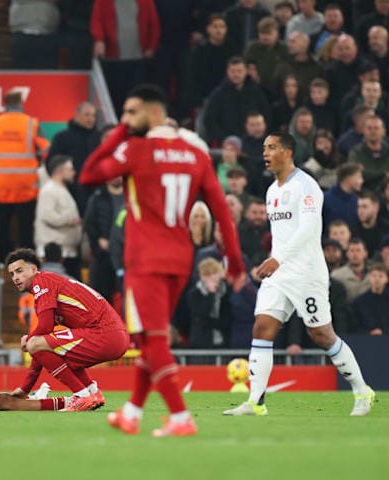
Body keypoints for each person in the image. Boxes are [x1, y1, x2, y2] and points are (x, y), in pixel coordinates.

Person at [79, 84, 246, 436]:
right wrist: (236, 263)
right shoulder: (196, 155)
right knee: (149, 339)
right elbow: (222, 213)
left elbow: (88, 174)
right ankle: (133, 413)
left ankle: (181, 417)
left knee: (153, 342)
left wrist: (121, 133)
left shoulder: (137, 149)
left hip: (144, 260)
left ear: (153, 114)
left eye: (131, 112)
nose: (125, 120)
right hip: (180, 259)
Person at [222, 132, 374, 418]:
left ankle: (362, 390)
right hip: (280, 274)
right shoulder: (271, 191)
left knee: (321, 335)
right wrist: (276, 260)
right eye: (264, 148)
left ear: (288, 152)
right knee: (262, 328)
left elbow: (307, 230)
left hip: (306, 273)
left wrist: (277, 258)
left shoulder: (306, 186)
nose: (266, 153)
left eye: (272, 148)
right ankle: (256, 401)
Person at [5, 248, 129, 411]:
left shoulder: (42, 282)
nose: (16, 278)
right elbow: (41, 348)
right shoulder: (47, 284)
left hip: (105, 334)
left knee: (36, 342)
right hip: (113, 335)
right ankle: (92, 392)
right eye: (12, 274)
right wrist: (25, 388)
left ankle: (82, 395)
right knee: (48, 346)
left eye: (19, 271)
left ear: (34, 269)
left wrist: (28, 339)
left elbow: (44, 328)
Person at [0, 90, 50, 261]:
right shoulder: (32, 124)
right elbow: (45, 150)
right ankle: (28, 261)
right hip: (26, 185)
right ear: (21, 103)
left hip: (1, 185)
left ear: (5, 104)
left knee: (1, 228)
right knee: (26, 229)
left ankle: (2, 262)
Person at [46, 101, 101, 214]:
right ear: (77, 115)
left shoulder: (99, 138)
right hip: (70, 191)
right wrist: (62, 184)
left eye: (93, 115)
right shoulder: (62, 137)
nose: (91, 119)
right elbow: (51, 164)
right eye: (87, 115)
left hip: (95, 191)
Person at [34, 155, 82, 277]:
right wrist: (70, 220)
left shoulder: (61, 189)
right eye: (70, 169)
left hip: (66, 252)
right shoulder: (49, 190)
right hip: (54, 255)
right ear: (60, 171)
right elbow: (48, 216)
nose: (74, 172)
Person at [84, 176, 124, 301]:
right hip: (103, 256)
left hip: (125, 255)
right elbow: (89, 223)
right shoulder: (98, 197)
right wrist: (98, 241)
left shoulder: (131, 196)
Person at [347, 114, 389, 191]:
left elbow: (364, 174)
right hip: (363, 194)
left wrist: (367, 173)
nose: (373, 131)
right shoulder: (356, 153)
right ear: (364, 130)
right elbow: (354, 175)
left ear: (383, 131)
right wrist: (384, 174)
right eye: (369, 128)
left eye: (376, 128)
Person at [322, 162, 363, 230]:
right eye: (358, 177)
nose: (361, 181)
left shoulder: (357, 199)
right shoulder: (325, 199)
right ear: (347, 178)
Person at [331, 237, 373, 302]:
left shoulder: (374, 273)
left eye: (358, 250)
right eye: (352, 251)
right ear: (347, 254)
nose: (355, 254)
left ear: (365, 253)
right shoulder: (337, 275)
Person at [352, 262, 389, 334]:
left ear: (387, 279)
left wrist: (384, 332)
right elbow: (355, 325)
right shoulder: (359, 301)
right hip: (365, 339)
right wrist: (369, 332)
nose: (377, 279)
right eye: (374, 276)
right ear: (369, 277)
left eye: (380, 276)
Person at [355, 190, 388, 257]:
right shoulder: (353, 230)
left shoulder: (386, 229)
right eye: (359, 207)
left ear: (376, 207)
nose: (360, 211)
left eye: (364, 207)